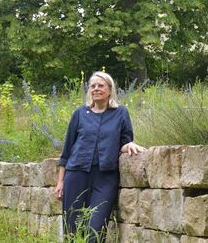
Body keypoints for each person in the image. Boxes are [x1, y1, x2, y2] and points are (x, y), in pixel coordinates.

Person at [54, 71, 142, 242]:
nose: (95, 89)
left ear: (110, 90)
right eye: (92, 86)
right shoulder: (80, 113)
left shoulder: (121, 113)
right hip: (76, 175)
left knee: (96, 229)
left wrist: (129, 144)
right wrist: (60, 181)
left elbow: (123, 143)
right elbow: (67, 151)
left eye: (100, 86)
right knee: (72, 228)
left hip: (105, 177)